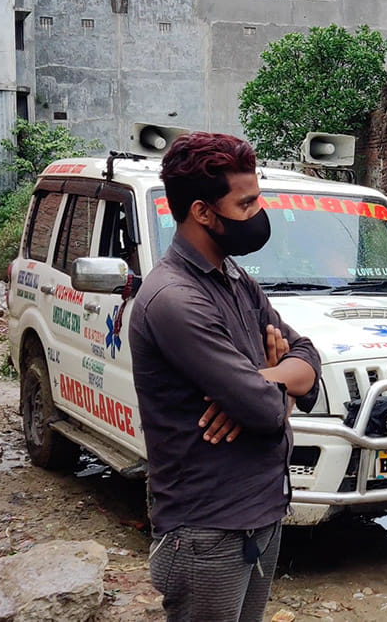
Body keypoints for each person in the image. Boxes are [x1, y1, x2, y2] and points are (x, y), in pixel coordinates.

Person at [129, 132, 321, 622]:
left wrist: (262, 378)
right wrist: (269, 390)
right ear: (202, 212)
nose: (259, 212)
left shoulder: (236, 280)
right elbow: (261, 410)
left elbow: (307, 355)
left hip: (261, 511)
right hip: (207, 528)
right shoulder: (174, 299)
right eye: (247, 202)